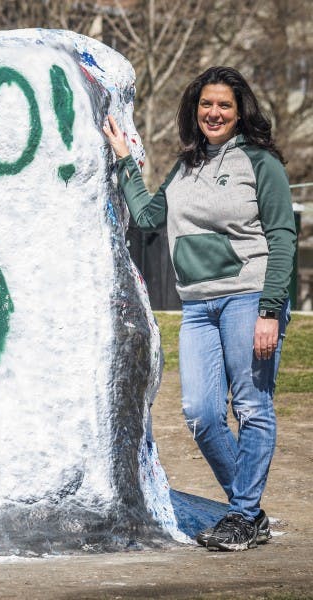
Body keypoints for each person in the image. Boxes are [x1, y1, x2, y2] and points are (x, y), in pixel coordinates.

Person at [103, 66, 295, 552]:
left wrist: (270, 310)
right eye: (206, 104)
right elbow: (148, 217)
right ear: (195, 110)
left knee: (251, 407)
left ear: (239, 111)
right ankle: (246, 512)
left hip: (249, 296)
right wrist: (125, 160)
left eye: (224, 105)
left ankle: (244, 514)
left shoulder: (260, 163)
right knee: (201, 413)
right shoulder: (186, 166)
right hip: (197, 305)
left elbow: (282, 237)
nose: (214, 113)